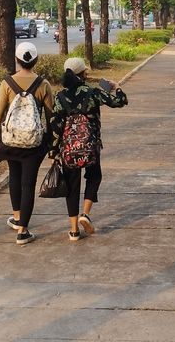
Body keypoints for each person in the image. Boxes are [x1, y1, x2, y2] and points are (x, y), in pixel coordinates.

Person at [0, 42, 55, 245]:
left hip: (11, 141)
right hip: (33, 143)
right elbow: (51, 117)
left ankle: (17, 218)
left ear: (17, 60)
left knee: (14, 177)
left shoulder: (7, 83)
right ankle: (22, 230)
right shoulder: (43, 84)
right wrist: (53, 143)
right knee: (28, 184)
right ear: (36, 60)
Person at [51, 57, 128, 241]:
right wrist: (116, 87)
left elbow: (55, 126)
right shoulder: (92, 92)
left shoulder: (60, 97)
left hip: (69, 149)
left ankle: (73, 231)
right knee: (94, 177)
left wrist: (54, 151)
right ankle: (85, 214)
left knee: (71, 186)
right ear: (83, 74)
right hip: (90, 145)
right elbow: (120, 101)